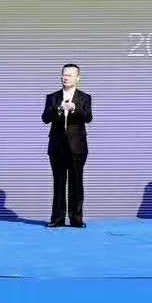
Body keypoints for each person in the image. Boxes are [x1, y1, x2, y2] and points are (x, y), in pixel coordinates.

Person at [42, 64, 92, 228]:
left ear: (78, 78)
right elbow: (45, 118)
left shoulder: (84, 97)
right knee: (59, 183)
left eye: (70, 75)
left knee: (76, 183)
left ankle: (76, 219)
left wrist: (75, 108)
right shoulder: (52, 97)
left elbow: (88, 117)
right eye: (64, 74)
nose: (65, 78)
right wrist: (58, 109)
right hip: (57, 146)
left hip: (77, 146)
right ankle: (57, 219)